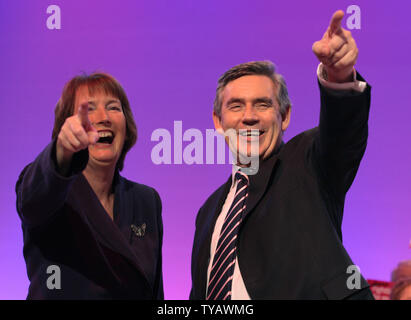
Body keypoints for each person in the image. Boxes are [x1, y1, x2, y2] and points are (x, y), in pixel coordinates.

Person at [190, 10, 374, 300]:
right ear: (218, 121)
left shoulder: (308, 162)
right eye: (236, 106)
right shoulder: (208, 210)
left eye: (262, 104)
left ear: (284, 116)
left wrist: (339, 76)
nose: (248, 117)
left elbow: (342, 132)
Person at [16, 72, 163, 299]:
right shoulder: (47, 189)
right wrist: (61, 151)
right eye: (89, 109)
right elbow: (33, 198)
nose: (103, 117)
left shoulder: (146, 200)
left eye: (114, 107)